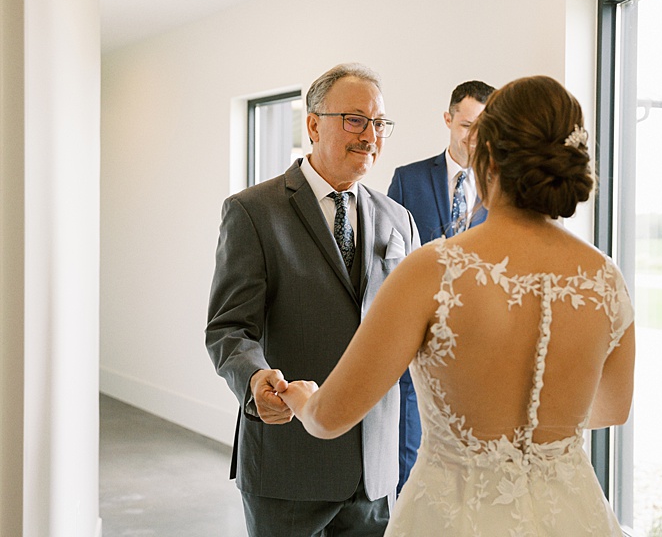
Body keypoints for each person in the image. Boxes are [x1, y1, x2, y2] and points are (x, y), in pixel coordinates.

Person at [279, 75, 636, 536]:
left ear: (485, 158)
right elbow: (613, 408)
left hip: (456, 516)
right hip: (571, 514)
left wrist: (303, 398)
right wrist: (536, 428)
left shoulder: (434, 269)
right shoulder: (605, 277)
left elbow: (329, 419)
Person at [206, 62, 420, 537]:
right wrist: (256, 380)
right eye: (355, 119)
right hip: (289, 464)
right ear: (312, 124)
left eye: (379, 123)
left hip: (373, 468)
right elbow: (228, 328)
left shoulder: (399, 219)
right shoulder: (252, 212)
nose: (370, 135)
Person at [387, 79, 494, 493]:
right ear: (448, 120)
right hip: (417, 343)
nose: (474, 138)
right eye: (466, 126)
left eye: (484, 128)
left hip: (481, 346)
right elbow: (390, 263)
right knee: (410, 456)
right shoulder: (407, 180)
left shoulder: (505, 188)